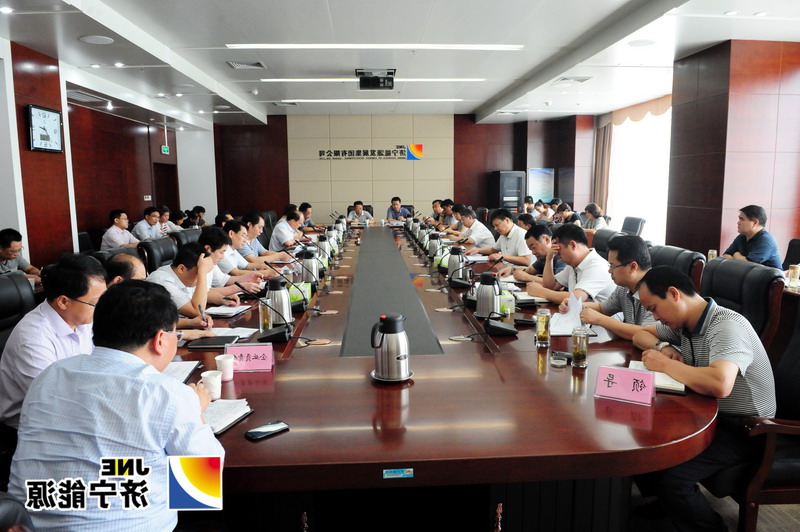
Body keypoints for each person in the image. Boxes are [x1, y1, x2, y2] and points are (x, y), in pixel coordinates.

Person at [8, 280, 224, 531]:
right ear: (160, 340)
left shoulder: (49, 375)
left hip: (27, 525)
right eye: (175, 335)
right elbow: (199, 492)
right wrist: (196, 412)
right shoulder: (167, 393)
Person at [631, 266, 775, 532]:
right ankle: (669, 504)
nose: (656, 317)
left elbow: (720, 383)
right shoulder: (686, 323)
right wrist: (663, 347)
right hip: (708, 413)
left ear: (674, 294)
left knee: (674, 479)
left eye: (654, 308)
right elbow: (640, 334)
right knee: (642, 436)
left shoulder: (727, 325)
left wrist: (665, 364)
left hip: (748, 428)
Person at [578, 235, 655, 339]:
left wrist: (600, 320)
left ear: (633, 267)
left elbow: (647, 333)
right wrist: (576, 305)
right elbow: (603, 308)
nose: (609, 271)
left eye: (612, 266)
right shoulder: (624, 287)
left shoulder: (656, 290)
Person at [526, 223, 615, 308]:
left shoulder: (596, 266)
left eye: (558, 248)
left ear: (573, 245)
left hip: (599, 318)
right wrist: (549, 259)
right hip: (579, 316)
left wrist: (540, 291)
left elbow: (575, 298)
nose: (556, 253)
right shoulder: (573, 265)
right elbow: (551, 286)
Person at [145, 242, 213, 318]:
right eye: (198, 273)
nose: (200, 279)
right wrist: (202, 273)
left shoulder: (184, 276)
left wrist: (223, 299)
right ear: (181, 269)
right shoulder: (162, 282)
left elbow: (206, 292)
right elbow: (198, 312)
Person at [498, 225, 566, 283]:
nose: (533, 253)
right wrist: (512, 269)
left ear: (546, 239)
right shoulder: (544, 256)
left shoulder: (561, 256)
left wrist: (528, 277)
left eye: (533, 247)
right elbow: (530, 270)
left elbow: (557, 283)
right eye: (530, 249)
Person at [465, 208, 532, 267]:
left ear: (507, 220)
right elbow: (493, 250)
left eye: (497, 225)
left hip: (517, 271)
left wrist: (503, 256)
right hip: (504, 268)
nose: (495, 229)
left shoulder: (521, 234)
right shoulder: (503, 234)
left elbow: (526, 260)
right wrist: (477, 250)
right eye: (494, 226)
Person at [722, 204, 782, 269]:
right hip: (747, 274)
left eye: (741, 219)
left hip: (768, 275)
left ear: (755, 223)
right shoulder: (742, 236)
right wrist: (740, 259)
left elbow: (748, 266)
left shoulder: (766, 240)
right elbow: (726, 256)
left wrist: (736, 255)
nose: (738, 222)